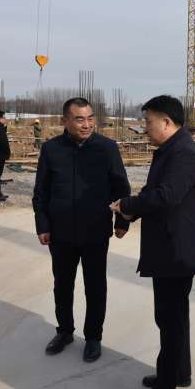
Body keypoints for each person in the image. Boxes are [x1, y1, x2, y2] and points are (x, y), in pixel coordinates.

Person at [109, 95, 195, 389]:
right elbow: (154, 191)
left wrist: (126, 204)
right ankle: (178, 373)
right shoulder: (170, 150)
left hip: (176, 251)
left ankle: (165, 386)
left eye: (148, 122)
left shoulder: (182, 153)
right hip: (170, 249)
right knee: (174, 318)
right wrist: (131, 213)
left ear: (166, 122)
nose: (145, 127)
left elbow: (167, 196)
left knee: (170, 320)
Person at [32, 98, 131, 363]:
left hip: (95, 231)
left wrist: (122, 221)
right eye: (79, 119)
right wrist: (43, 224)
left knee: (95, 287)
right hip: (60, 233)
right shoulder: (52, 149)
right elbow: (41, 192)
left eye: (90, 118)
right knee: (62, 286)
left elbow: (121, 187)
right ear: (65, 121)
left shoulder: (107, 148)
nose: (86, 124)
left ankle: (93, 337)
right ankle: (64, 331)